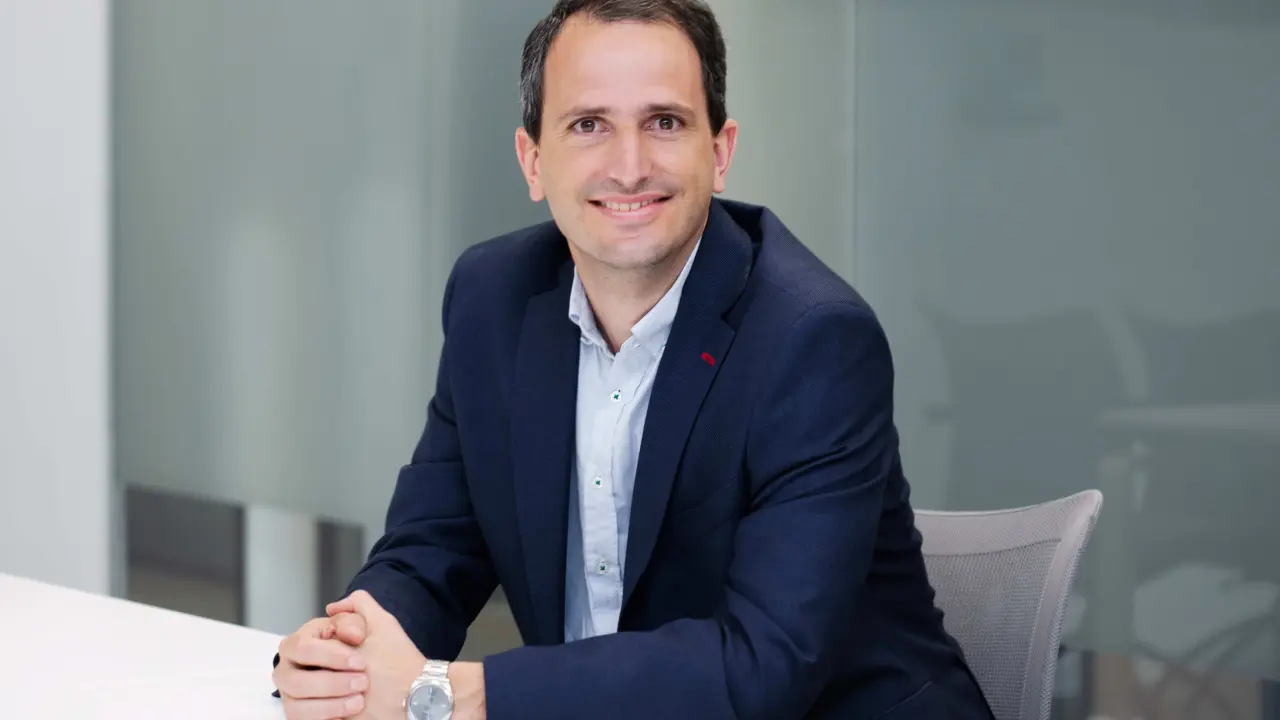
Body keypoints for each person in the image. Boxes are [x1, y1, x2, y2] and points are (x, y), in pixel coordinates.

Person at [271, 1, 994, 718]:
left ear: (720, 152)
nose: (629, 167)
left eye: (665, 122)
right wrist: (346, 654)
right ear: (533, 160)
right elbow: (432, 547)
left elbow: (762, 664)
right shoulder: (492, 299)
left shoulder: (813, 340)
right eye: (589, 124)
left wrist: (453, 695)